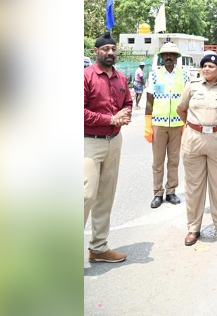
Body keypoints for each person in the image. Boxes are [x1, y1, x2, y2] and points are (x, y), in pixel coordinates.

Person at [176, 52, 217, 246]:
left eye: (211, 66)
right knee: (194, 186)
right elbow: (181, 108)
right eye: (204, 66)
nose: (206, 69)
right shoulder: (192, 86)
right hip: (194, 138)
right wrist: (195, 126)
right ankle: (193, 227)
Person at [83, 32, 132, 263]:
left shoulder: (121, 78)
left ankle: (99, 248)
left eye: (113, 49)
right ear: (96, 51)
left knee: (105, 197)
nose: (110, 53)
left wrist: (125, 114)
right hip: (88, 142)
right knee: (85, 195)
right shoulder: (85, 77)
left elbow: (128, 102)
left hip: (114, 142)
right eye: (105, 49)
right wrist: (111, 119)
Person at [146, 41, 191, 209]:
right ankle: (157, 193)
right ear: (162, 57)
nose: (169, 57)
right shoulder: (154, 75)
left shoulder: (185, 75)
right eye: (165, 55)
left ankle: (171, 191)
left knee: (174, 160)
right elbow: (149, 101)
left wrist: (187, 122)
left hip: (178, 125)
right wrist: (147, 124)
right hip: (158, 124)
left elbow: (188, 100)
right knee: (158, 161)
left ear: (176, 58)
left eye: (172, 55)